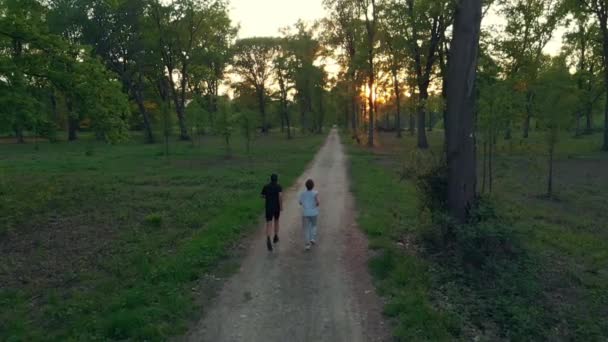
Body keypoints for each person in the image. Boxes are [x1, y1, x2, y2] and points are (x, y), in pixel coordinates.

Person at [261, 174, 282, 251]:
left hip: (268, 207)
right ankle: (276, 236)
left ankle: (268, 237)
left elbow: (262, 196)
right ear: (277, 179)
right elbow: (280, 197)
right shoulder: (279, 187)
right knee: (276, 221)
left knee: (269, 223)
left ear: (271, 179)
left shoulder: (266, 186)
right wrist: (281, 206)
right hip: (276, 207)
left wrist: (267, 196)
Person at [299, 179, 320, 251]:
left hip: (305, 213)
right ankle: (312, 238)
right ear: (313, 186)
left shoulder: (303, 194)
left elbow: (300, 203)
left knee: (306, 229)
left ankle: (307, 244)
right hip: (314, 212)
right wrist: (315, 204)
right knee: (313, 225)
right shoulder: (315, 193)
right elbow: (317, 203)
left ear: (306, 186)